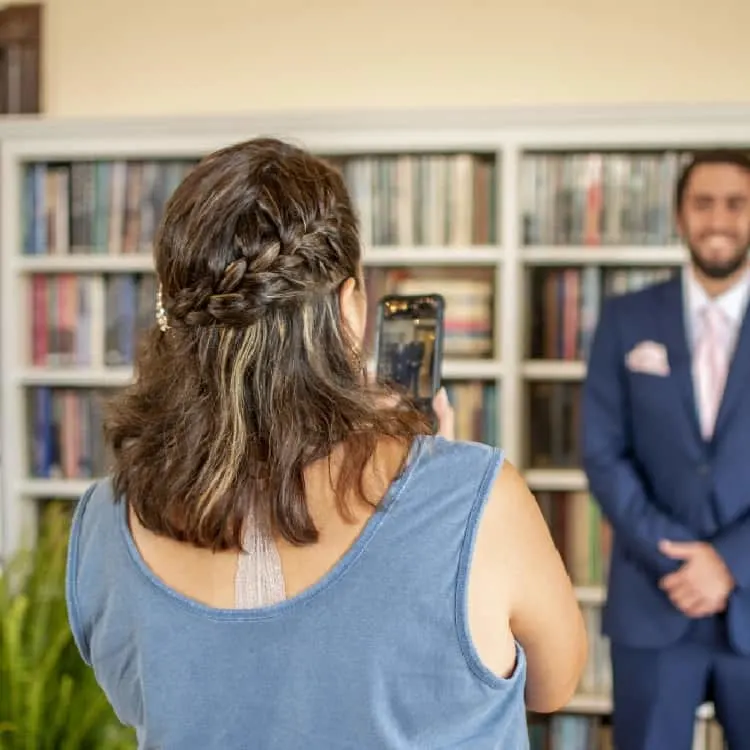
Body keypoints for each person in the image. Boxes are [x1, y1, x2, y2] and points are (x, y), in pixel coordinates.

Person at [65, 137, 586, 749]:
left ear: (170, 315)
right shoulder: (478, 499)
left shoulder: (103, 520)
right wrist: (437, 478)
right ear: (349, 308)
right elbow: (555, 685)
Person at [582, 150, 750, 750]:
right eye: (703, 204)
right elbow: (602, 453)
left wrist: (729, 562)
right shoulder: (627, 318)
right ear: (680, 215)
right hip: (654, 599)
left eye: (736, 204)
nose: (719, 220)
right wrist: (680, 557)